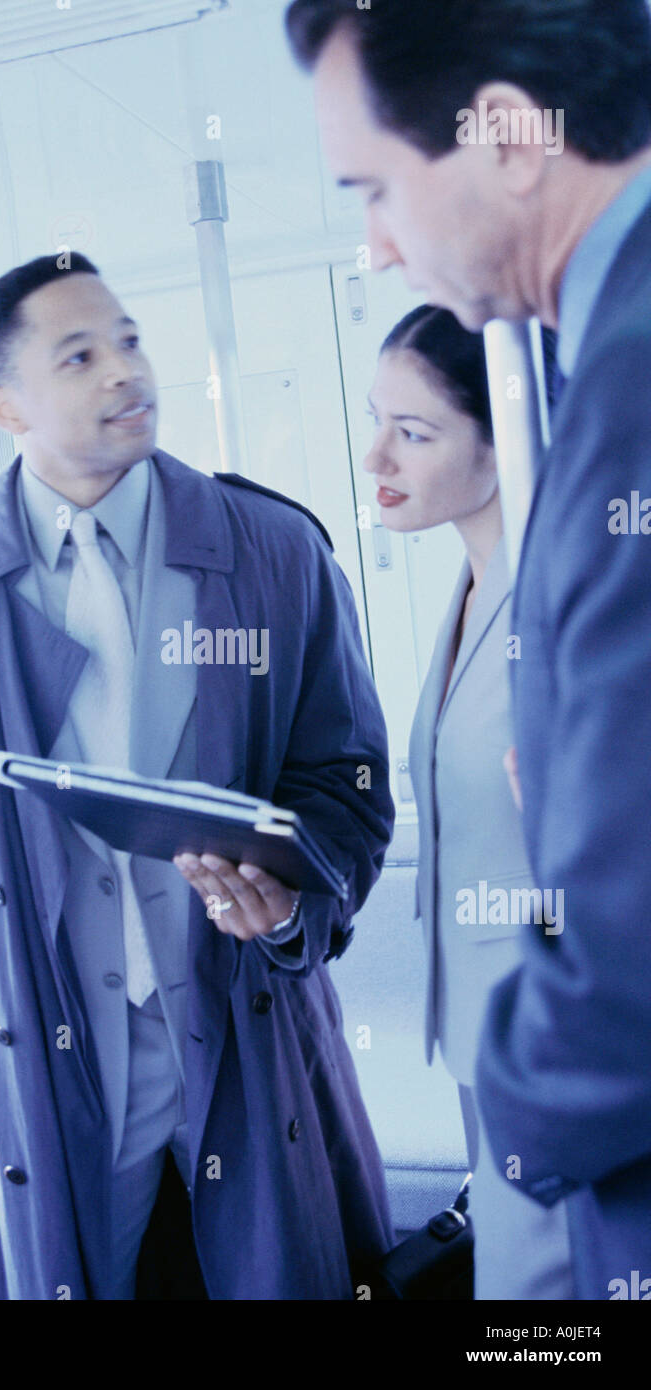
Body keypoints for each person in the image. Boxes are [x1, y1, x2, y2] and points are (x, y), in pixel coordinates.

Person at [0, 252, 395, 1300]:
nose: (123, 371)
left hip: (238, 1020)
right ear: (5, 404)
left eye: (127, 340)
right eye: (78, 355)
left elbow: (345, 777)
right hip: (44, 1039)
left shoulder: (276, 550)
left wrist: (291, 896)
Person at [286, 0, 651, 1299]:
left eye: (376, 190)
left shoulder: (630, 378)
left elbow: (631, 914)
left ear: (506, 136)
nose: (379, 248)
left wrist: (532, 1119)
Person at [366, 304, 570, 1297]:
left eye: (413, 431)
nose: (377, 455)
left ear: (501, 444)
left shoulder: (560, 597)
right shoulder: (466, 585)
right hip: (471, 1026)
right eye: (378, 422)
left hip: (553, 1031)